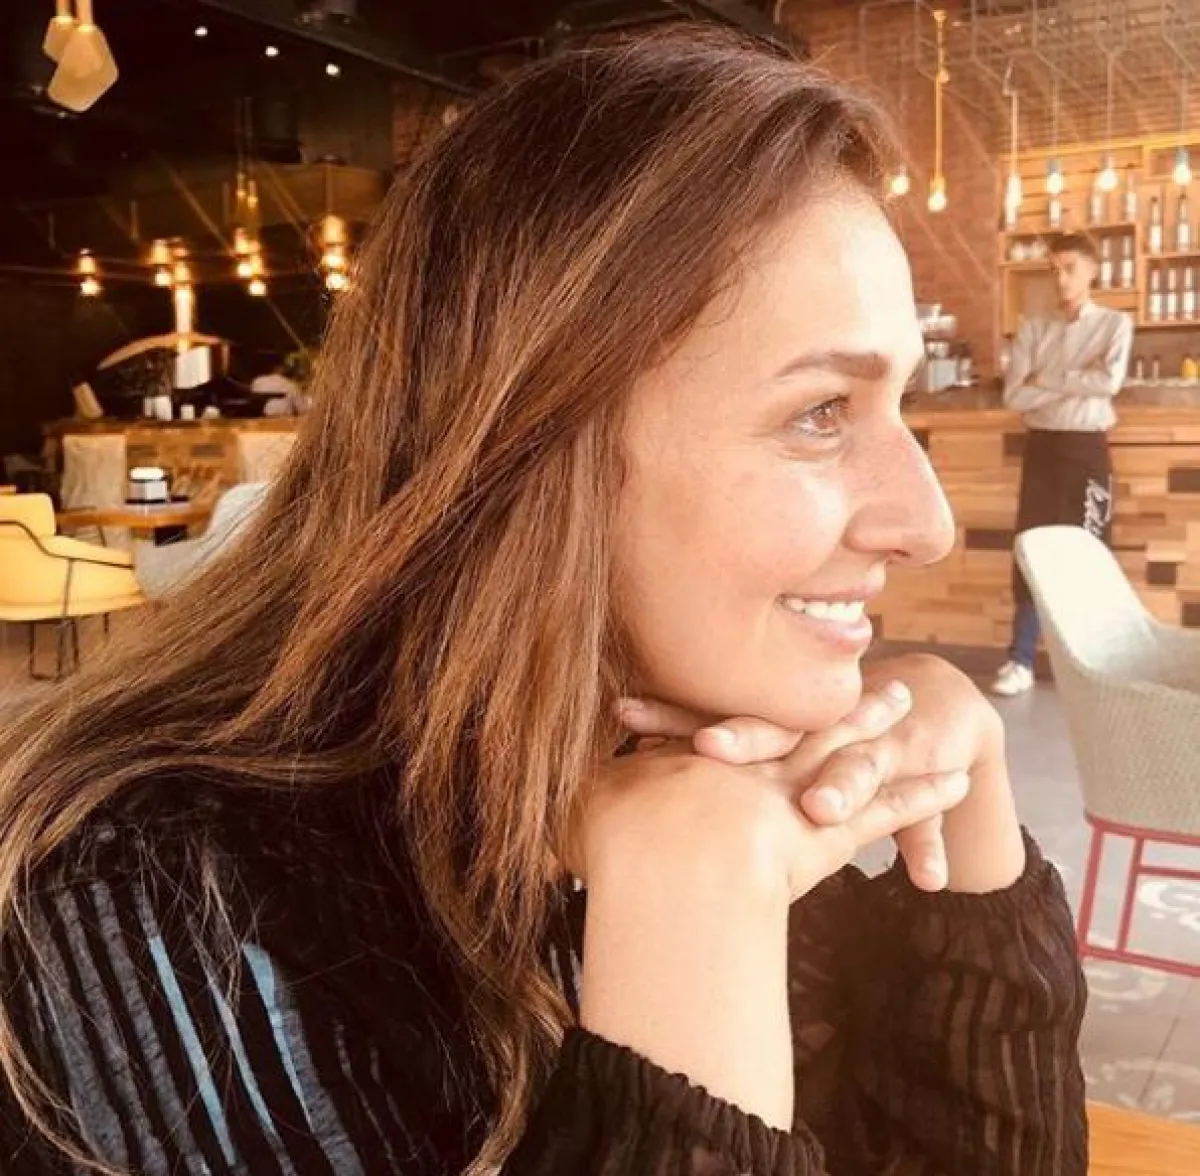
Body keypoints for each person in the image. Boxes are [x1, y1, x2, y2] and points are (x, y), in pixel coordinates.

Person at [0, 29, 1086, 1176]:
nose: (927, 525)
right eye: (821, 414)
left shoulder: (709, 758)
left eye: (900, 407)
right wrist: (691, 910)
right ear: (528, 447)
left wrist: (967, 825)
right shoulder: (151, 900)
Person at [992, 232, 1134, 697]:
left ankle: (1095, 666)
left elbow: (1108, 383)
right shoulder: (1034, 327)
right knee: (1031, 550)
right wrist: (1077, 378)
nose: (1061, 278)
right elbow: (1015, 396)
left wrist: (1045, 378)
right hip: (1043, 449)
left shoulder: (1114, 324)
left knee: (1091, 552)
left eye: (1070, 268)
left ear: (1093, 270)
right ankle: (1020, 659)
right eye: (1054, 269)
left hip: (1088, 449)